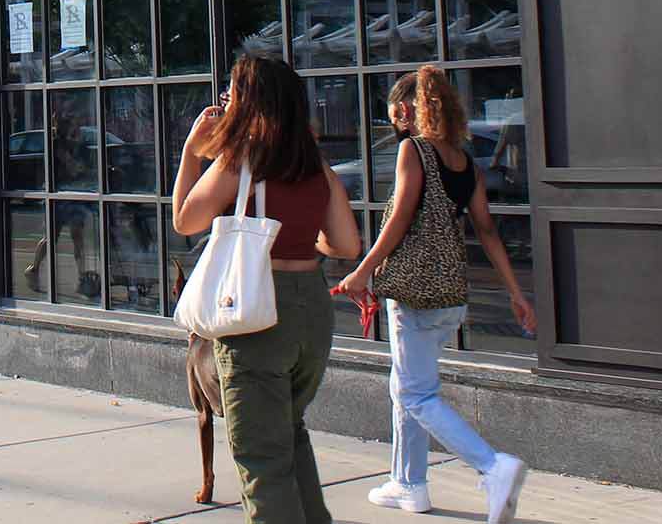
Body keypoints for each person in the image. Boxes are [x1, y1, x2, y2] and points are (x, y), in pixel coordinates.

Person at [336, 66, 535, 523]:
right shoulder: (464, 160)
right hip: (449, 296)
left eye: (392, 111)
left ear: (407, 109)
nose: (392, 120)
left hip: (415, 294)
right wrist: (516, 294)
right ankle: (409, 484)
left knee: (417, 394)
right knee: (405, 385)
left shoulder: (415, 150)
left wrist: (363, 271)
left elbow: (400, 217)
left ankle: (493, 467)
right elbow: (486, 230)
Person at [173, 57, 362, 524]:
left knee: (261, 459)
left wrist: (191, 154)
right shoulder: (318, 167)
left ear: (250, 102)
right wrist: (300, 234)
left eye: (231, 95)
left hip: (256, 309)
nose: (225, 102)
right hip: (311, 309)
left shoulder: (240, 163)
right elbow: (346, 244)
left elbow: (185, 221)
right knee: (290, 433)